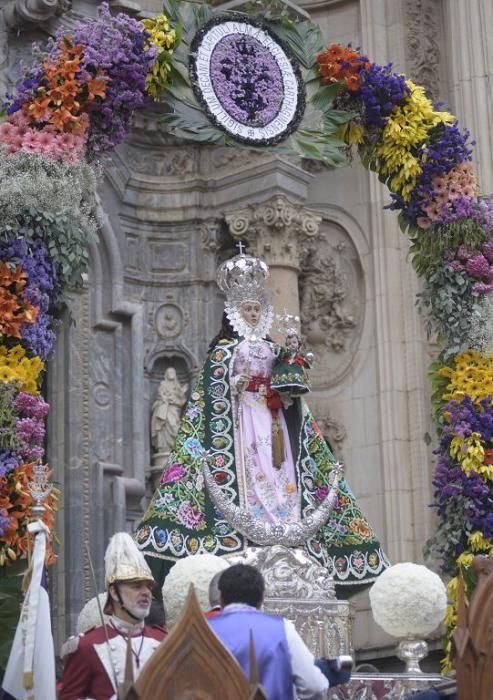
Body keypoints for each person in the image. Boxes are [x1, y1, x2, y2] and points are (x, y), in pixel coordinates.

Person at [135, 252, 388, 590]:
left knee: (278, 466)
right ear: (235, 312)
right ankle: (250, 517)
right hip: (242, 420)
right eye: (246, 309)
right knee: (252, 464)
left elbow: (290, 381)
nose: (252, 313)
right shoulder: (224, 353)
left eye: (256, 308)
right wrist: (234, 384)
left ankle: (283, 517)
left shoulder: (273, 349)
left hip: (273, 417)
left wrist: (288, 384)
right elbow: (212, 391)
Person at [208, 564, 340, 700]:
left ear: (221, 599)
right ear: (262, 599)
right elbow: (314, 687)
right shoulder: (283, 628)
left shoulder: (205, 628)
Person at [60, 533, 166, 700]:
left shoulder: (164, 641)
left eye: (148, 587)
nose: (146, 592)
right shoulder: (86, 646)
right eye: (137, 586)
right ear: (114, 593)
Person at [150, 367, 188, 454]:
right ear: (166, 374)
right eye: (169, 372)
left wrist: (180, 394)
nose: (171, 374)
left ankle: (174, 448)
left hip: (174, 410)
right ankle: (163, 448)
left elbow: (182, 399)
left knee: (174, 426)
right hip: (164, 408)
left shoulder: (177, 386)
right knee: (163, 426)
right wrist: (166, 399)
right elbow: (160, 395)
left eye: (172, 372)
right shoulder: (163, 384)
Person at [271, 329, 312, 395]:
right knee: (288, 370)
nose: (292, 345)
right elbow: (280, 355)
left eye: (294, 342)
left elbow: (305, 360)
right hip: (287, 368)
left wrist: (308, 360)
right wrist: (277, 349)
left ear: (298, 344)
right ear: (287, 346)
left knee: (298, 371)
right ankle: (286, 386)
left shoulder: (300, 355)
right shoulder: (286, 352)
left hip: (297, 368)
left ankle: (298, 387)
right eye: (289, 344)